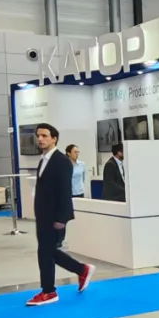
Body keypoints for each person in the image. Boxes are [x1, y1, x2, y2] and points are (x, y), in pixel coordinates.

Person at [27, 123, 95, 307]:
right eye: (38, 135)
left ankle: (49, 291)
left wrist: (62, 218)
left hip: (54, 217)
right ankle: (81, 270)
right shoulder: (44, 160)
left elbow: (65, 191)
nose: (40, 139)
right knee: (47, 251)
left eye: (44, 135)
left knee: (45, 252)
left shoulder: (61, 161)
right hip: (43, 215)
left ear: (54, 138)